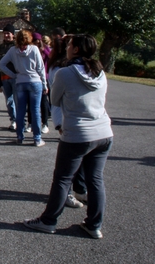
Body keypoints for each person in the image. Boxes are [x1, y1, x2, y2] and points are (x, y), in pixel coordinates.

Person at [24, 34, 113, 239]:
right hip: (103, 132)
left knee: (63, 179)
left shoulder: (65, 73)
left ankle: (48, 221)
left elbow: (54, 99)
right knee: (96, 180)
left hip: (78, 132)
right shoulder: (100, 72)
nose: (67, 47)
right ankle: (94, 224)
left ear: (76, 50)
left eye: (70, 45)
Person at [47, 36, 88, 209]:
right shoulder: (60, 69)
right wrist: (58, 124)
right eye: (70, 44)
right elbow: (55, 100)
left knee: (80, 159)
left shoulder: (75, 67)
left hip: (78, 119)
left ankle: (79, 188)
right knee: (67, 166)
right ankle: (67, 194)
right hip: (67, 119)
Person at [0, 29, 48, 146]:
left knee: (20, 110)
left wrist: (14, 75)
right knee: (35, 110)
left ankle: (20, 137)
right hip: (35, 81)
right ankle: (37, 138)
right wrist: (45, 84)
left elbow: (1, 64)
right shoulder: (34, 49)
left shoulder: (12, 50)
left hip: (20, 81)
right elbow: (41, 68)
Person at [0, 24, 18, 131]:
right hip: (4, 78)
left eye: (8, 33)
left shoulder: (16, 46)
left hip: (15, 77)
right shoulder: (0, 47)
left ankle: (21, 120)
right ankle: (13, 120)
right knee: (9, 101)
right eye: (4, 33)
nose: (6, 35)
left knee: (18, 100)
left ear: (13, 34)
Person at [33, 32, 52, 134]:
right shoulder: (30, 48)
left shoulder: (44, 49)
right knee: (31, 103)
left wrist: (44, 50)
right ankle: (31, 123)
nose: (36, 42)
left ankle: (45, 123)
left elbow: (51, 56)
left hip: (43, 77)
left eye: (38, 40)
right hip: (32, 78)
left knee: (43, 102)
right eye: (34, 40)